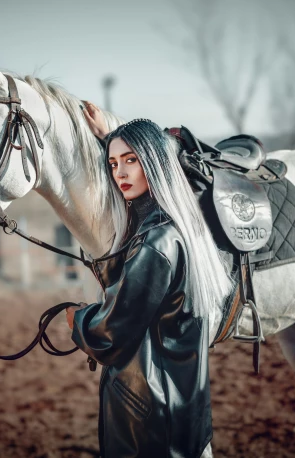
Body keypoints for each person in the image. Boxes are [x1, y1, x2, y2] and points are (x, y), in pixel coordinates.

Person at [65, 113, 234, 458]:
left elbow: (113, 334)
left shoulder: (156, 242)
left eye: (131, 160)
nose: (120, 173)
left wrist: (78, 320)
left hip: (150, 420)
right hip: (182, 412)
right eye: (113, 164)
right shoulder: (181, 228)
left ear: (154, 163)